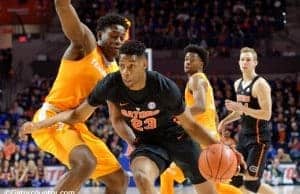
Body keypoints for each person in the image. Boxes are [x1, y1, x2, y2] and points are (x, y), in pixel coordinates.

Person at [21, 40, 219, 194]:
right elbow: (77, 115)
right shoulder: (112, 84)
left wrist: (218, 147)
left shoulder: (163, 86)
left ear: (144, 64)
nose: (125, 71)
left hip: (178, 139)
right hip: (149, 142)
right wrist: (40, 124)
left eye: (131, 66)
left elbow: (191, 126)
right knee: (141, 175)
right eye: (122, 65)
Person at [19, 0, 130, 193]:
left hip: (76, 123)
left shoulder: (114, 72)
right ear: (99, 35)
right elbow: (63, 7)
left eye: (122, 37)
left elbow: (116, 117)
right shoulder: (86, 46)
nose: (118, 41)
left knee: (118, 179)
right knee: (86, 163)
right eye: (113, 35)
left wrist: (135, 141)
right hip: (52, 117)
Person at [160, 44, 242, 194]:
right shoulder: (203, 81)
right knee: (214, 182)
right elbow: (214, 114)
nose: (187, 62)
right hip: (209, 137)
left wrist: (175, 115)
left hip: (199, 139)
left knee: (168, 174)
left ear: (201, 64)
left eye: (192, 59)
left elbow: (201, 107)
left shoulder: (196, 79)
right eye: (185, 59)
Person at [218, 47, 276, 194]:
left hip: (258, 139)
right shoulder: (238, 83)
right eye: (242, 59)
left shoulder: (260, 84)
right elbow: (240, 112)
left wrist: (241, 108)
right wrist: (224, 121)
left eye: (248, 59)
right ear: (238, 62)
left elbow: (266, 114)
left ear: (255, 63)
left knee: (251, 183)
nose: (245, 62)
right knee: (234, 177)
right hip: (243, 137)